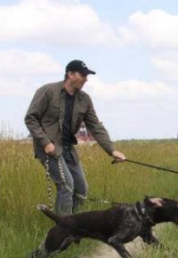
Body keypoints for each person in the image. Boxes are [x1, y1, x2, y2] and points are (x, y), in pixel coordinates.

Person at [24, 60, 126, 215]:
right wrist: (45, 142)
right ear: (70, 74)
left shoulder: (85, 99)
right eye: (82, 75)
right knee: (66, 186)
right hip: (49, 149)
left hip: (68, 149)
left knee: (81, 189)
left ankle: (74, 225)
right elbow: (30, 118)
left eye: (87, 76)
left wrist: (111, 150)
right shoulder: (47, 91)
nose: (85, 79)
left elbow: (95, 126)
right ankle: (63, 230)